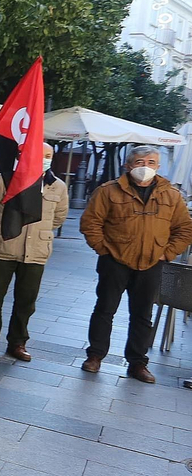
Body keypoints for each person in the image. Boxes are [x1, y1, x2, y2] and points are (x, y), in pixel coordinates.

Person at [79, 145, 192, 383]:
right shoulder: (108, 191)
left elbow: (184, 228)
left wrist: (167, 253)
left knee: (142, 315)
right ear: (128, 165)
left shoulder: (170, 195)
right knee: (105, 309)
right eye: (140, 162)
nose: (145, 167)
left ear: (158, 167)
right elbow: (91, 223)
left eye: (151, 163)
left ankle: (138, 363)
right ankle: (95, 356)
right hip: (115, 261)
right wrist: (104, 250)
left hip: (151, 263)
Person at [0, 144, 68, 362]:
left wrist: (38, 231)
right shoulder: (3, 180)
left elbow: (59, 217)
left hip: (36, 251)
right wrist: (0, 228)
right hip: (4, 247)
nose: (44, 159)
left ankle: (18, 342)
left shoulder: (57, 186)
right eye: (40, 155)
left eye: (48, 156)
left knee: (26, 300)